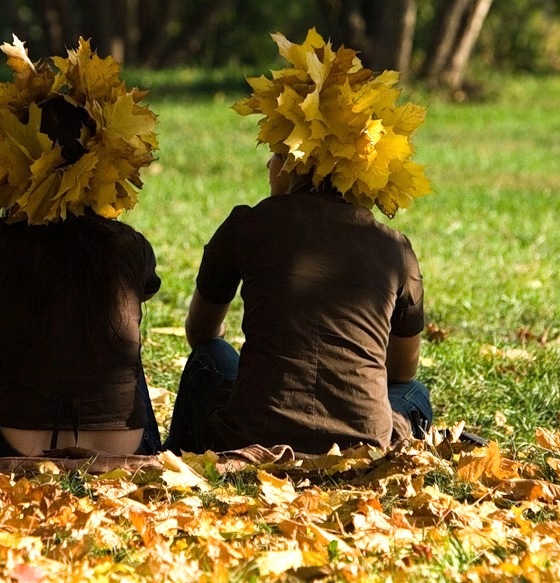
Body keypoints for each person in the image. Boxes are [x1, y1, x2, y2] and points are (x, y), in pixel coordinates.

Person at [163, 29, 433, 456]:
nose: (269, 166)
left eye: (276, 153)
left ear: (294, 163)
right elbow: (401, 371)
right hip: (362, 447)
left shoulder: (248, 223)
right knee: (413, 394)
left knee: (210, 356)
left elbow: (201, 332)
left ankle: (177, 453)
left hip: (248, 437)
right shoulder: (394, 248)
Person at [0, 37, 162, 461]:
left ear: (11, 161)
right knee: (111, 322)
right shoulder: (130, 246)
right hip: (129, 456)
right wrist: (1, 303)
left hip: (9, 452)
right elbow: (79, 299)